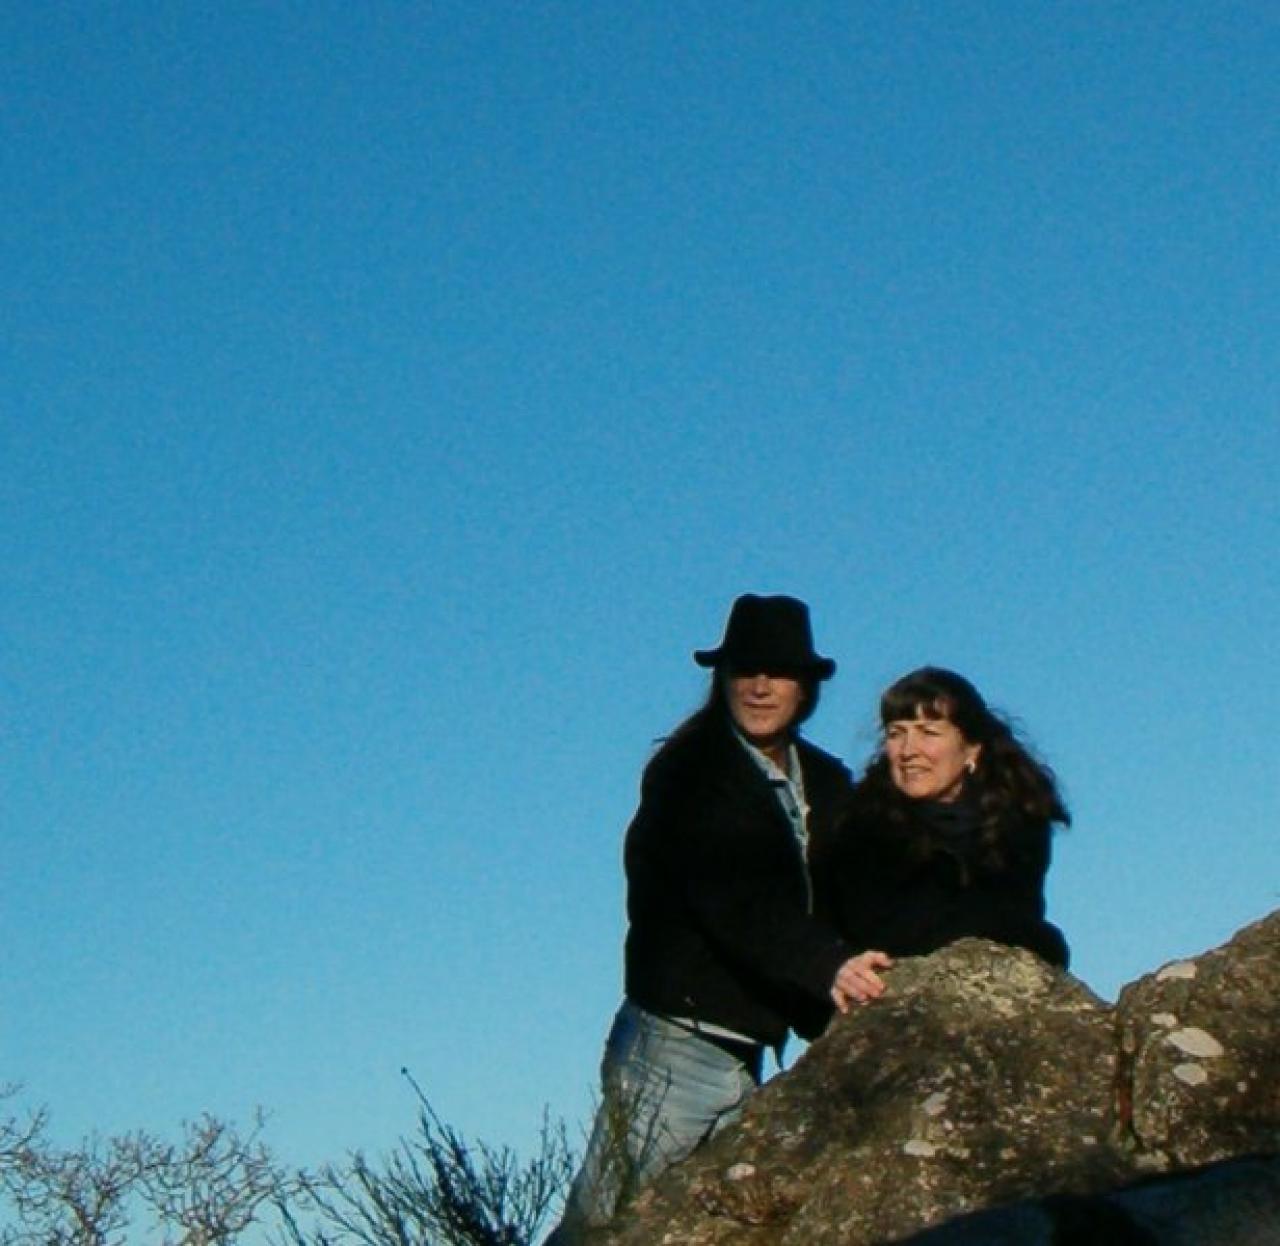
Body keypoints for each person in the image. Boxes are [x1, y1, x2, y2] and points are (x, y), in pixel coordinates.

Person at [545, 595, 889, 1243]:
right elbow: (733, 898)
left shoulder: (824, 781)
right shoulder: (689, 775)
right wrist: (827, 967)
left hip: (747, 1053)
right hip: (672, 1048)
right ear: (721, 679)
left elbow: (855, 886)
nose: (759, 687)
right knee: (604, 1231)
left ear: (806, 687)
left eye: (777, 672)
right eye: (744, 670)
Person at [833, 666, 1070, 969]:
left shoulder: (1018, 824)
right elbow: (887, 933)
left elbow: (1018, 921)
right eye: (896, 733)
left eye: (928, 733)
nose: (908, 750)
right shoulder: (859, 826)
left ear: (971, 749)